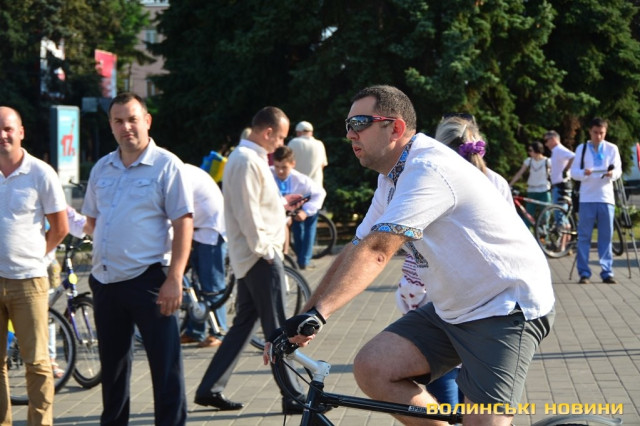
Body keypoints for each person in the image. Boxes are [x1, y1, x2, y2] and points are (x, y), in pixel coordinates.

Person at [268, 85, 555, 426]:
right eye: (348, 125)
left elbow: (378, 251)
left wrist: (320, 313)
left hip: (505, 307)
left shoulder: (428, 169)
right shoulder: (391, 178)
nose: (350, 134)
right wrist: (303, 317)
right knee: (373, 368)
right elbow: (357, 247)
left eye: (359, 123)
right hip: (454, 310)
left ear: (396, 128)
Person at [82, 93, 193, 426]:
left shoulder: (166, 165)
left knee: (165, 367)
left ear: (147, 121)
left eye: (132, 119)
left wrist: (175, 278)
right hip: (105, 281)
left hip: (150, 280)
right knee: (113, 369)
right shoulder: (102, 167)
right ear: (111, 125)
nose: (126, 127)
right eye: (118, 121)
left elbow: (183, 222)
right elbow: (92, 220)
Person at [194, 107, 310, 414]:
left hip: (253, 256)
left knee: (245, 324)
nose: (281, 143)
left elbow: (255, 205)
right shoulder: (246, 159)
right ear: (268, 132)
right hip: (260, 256)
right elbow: (248, 213)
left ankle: (209, 388)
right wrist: (267, 252)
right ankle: (293, 396)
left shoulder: (248, 158)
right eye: (281, 137)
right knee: (279, 328)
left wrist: (281, 204)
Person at [395, 116, 512, 407]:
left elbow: (417, 250)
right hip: (492, 308)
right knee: (482, 406)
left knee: (443, 402)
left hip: (443, 305)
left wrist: (410, 292)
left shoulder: (430, 183)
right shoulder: (496, 182)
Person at [0, 106, 69, 426]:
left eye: (8, 128)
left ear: (21, 132)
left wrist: (36, 256)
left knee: (38, 362)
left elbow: (60, 227)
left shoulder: (41, 173)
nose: (2, 135)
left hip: (28, 281)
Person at [570, 118, 622, 284]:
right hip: (587, 198)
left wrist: (612, 174)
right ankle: (584, 273)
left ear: (605, 133)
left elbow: (618, 170)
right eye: (595, 132)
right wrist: (583, 173)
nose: (598, 136)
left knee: (606, 236)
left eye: (602, 133)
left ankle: (607, 272)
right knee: (584, 237)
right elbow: (573, 172)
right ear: (590, 132)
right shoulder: (582, 148)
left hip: (606, 197)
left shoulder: (612, 148)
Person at [180, 163, 227, 348]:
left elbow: (178, 212)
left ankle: (219, 332)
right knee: (196, 285)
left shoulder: (180, 175)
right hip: (201, 229)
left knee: (212, 286)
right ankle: (195, 331)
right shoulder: (181, 171)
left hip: (211, 231)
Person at [271, 146, 327, 269]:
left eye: (284, 167)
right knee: (294, 231)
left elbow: (320, 193)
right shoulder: (268, 174)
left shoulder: (300, 180)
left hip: (298, 208)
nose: (280, 171)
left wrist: (306, 211)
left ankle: (300, 260)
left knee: (306, 229)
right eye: (277, 167)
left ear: (293, 164)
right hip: (274, 214)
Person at [543, 130, 576, 253]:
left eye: (547, 140)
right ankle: (565, 246)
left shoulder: (559, 150)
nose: (546, 144)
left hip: (561, 186)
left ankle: (564, 246)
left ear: (553, 139)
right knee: (562, 216)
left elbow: (573, 156)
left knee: (560, 215)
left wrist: (566, 170)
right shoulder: (556, 151)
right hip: (559, 186)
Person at [509, 141, 551, 226]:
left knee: (545, 215)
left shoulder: (547, 161)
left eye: (531, 150)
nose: (529, 152)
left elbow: (554, 174)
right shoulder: (529, 161)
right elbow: (520, 173)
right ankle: (526, 232)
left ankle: (544, 233)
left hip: (544, 190)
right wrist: (510, 184)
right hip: (532, 190)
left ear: (537, 150)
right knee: (528, 214)